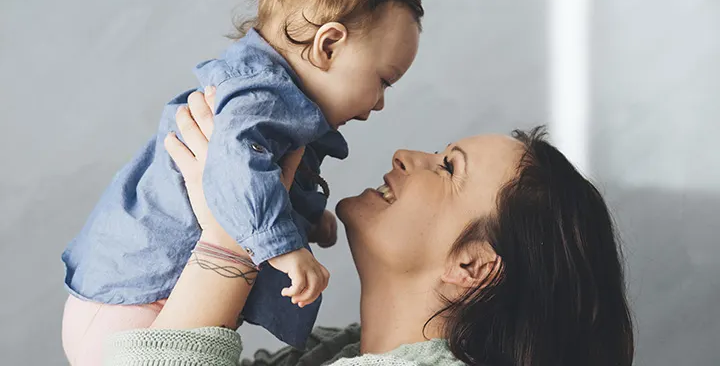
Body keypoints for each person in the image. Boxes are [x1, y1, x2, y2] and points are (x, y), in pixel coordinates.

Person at [61, 0, 423, 363]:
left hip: (134, 300)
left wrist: (309, 221)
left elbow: (265, 180)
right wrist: (285, 247)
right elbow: (235, 172)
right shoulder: (260, 96)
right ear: (328, 45)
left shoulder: (274, 100)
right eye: (383, 80)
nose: (380, 103)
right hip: (134, 307)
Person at [104, 90, 634, 366]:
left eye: (449, 168)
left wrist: (231, 239)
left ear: (471, 265)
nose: (407, 156)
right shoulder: (329, 353)